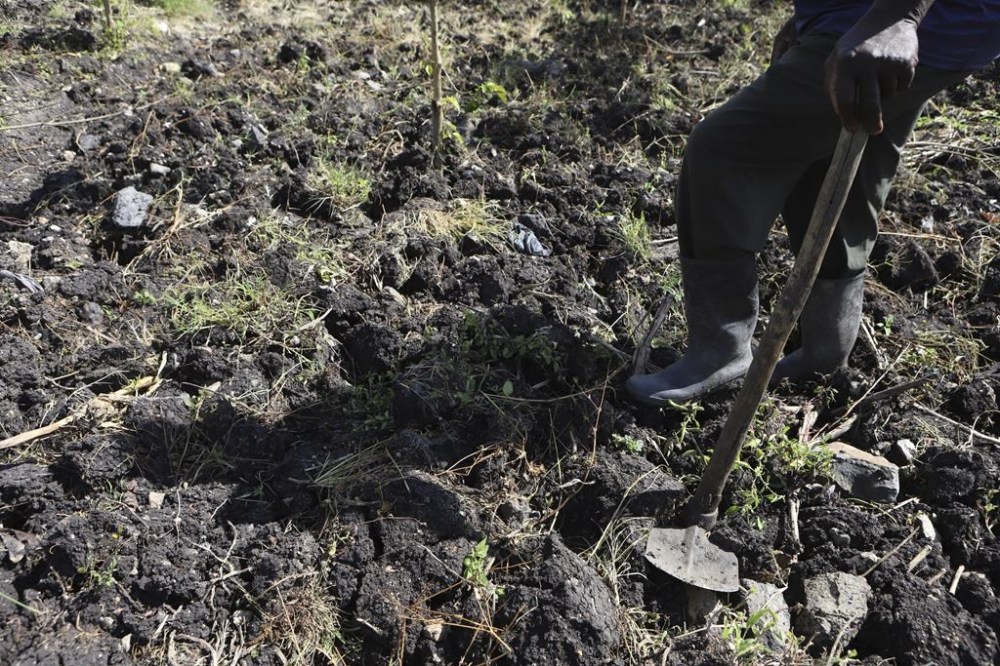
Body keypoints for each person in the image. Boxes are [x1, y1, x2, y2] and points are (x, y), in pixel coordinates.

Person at [627, 0, 1000, 406]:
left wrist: (897, 17)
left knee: (722, 153)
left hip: (902, 22)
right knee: (833, 162)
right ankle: (825, 350)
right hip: (887, 22)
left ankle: (719, 352)